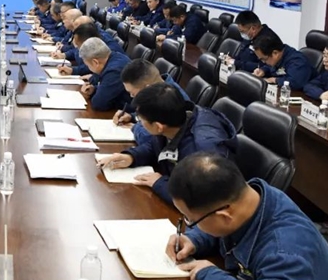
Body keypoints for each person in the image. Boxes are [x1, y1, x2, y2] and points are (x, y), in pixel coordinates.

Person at [165, 153, 328, 280]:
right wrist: (194, 239)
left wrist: (210, 276)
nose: (190, 224)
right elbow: (222, 225)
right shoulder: (250, 198)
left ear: (224, 215)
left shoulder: (285, 252)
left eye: (191, 219)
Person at [98, 84, 237, 204]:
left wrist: (160, 184)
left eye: (141, 119)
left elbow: (203, 199)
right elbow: (156, 147)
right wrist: (132, 157)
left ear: (158, 127)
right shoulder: (176, 119)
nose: (139, 122)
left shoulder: (203, 152)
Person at [113, 59, 190, 145]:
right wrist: (132, 117)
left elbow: (149, 139)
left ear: (147, 88)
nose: (131, 96)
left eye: (133, 93)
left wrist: (135, 127)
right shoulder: (160, 92)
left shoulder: (170, 101)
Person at [78, 37, 131, 110]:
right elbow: (98, 81)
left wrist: (95, 92)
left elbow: (99, 103)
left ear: (95, 62)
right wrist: (94, 89)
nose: (88, 68)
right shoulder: (114, 56)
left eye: (88, 65)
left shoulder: (114, 71)